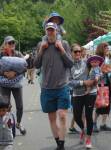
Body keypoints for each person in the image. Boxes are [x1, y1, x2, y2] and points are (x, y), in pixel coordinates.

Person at [34, 22, 73, 150]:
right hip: (46, 88)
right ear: (45, 31)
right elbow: (36, 64)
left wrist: (61, 49)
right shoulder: (41, 45)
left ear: (56, 31)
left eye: (52, 30)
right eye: (48, 30)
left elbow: (70, 64)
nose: (50, 32)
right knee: (52, 118)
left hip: (62, 86)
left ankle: (61, 145)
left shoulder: (65, 44)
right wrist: (41, 50)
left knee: (62, 115)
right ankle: (59, 143)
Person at [69, 44, 98, 149]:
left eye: (79, 51)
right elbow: (69, 82)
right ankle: (84, 130)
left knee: (89, 116)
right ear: (71, 53)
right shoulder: (68, 65)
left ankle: (88, 139)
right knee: (76, 116)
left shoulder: (87, 63)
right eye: (75, 51)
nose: (77, 53)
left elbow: (97, 71)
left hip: (90, 93)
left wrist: (97, 77)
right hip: (77, 93)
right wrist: (83, 82)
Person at [0, 36, 26, 135]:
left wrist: (14, 74)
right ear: (5, 44)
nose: (12, 45)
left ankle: (18, 123)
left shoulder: (18, 54)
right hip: (4, 84)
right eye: (9, 43)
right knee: (6, 105)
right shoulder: (1, 55)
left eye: (13, 43)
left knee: (20, 106)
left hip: (16, 83)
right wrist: (4, 74)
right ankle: (7, 125)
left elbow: (24, 68)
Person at [93, 42, 111, 132]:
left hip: (108, 83)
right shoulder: (97, 60)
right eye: (106, 48)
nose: (108, 50)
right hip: (101, 84)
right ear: (102, 49)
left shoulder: (107, 59)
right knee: (100, 104)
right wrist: (104, 72)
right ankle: (94, 123)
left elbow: (109, 70)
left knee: (107, 104)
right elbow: (95, 73)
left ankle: (103, 124)